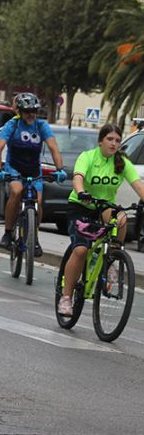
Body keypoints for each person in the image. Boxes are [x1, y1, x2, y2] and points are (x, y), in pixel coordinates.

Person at [58, 123, 144, 317]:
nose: (114, 144)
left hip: (104, 206)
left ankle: (112, 258)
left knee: (121, 218)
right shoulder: (88, 157)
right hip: (81, 205)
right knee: (80, 250)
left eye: (117, 140)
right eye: (110, 139)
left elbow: (139, 186)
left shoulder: (122, 162)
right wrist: (81, 192)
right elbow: (78, 177)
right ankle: (66, 297)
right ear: (101, 141)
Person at [0, 92, 67, 256]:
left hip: (33, 169)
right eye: (27, 111)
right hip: (14, 167)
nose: (31, 114)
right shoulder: (13, 125)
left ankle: (34, 238)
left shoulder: (41, 126)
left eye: (34, 111)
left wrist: (59, 169)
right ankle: (7, 232)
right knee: (17, 191)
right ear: (19, 111)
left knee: (38, 202)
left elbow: (54, 147)